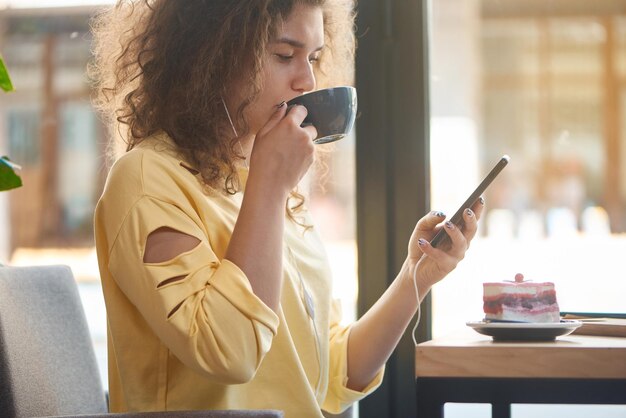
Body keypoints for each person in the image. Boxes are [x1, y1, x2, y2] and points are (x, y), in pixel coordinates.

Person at [91, 1, 484, 417]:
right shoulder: (147, 179)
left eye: (313, 57)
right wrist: (270, 185)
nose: (308, 79)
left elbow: (333, 373)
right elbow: (228, 352)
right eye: (284, 56)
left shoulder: (271, 187)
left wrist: (415, 278)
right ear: (210, 56)